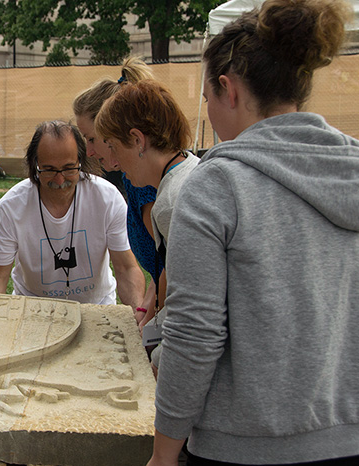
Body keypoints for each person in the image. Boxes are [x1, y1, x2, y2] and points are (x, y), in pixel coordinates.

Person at [146, 0, 359, 465]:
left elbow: (194, 333)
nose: (207, 108)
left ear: (229, 89)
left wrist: (164, 453)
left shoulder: (216, 184)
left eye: (206, 97)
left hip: (242, 447)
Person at [0, 120, 145, 307]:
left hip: (97, 306)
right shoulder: (11, 207)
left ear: (81, 161)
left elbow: (126, 268)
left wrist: (137, 311)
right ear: (35, 165)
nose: (59, 179)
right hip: (33, 307)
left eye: (68, 168)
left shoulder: (107, 198)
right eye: (49, 170)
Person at [95, 79, 199, 375]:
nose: (113, 160)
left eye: (114, 147)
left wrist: (155, 364)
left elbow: (189, 311)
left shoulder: (171, 203)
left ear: (138, 140)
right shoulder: (187, 171)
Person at [73, 56, 163, 324]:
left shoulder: (150, 190)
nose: (88, 152)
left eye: (91, 139)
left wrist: (148, 320)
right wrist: (144, 310)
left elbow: (175, 270)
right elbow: (161, 273)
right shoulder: (134, 183)